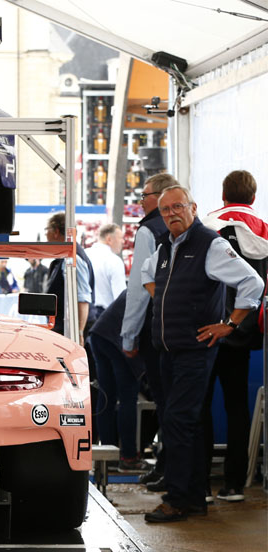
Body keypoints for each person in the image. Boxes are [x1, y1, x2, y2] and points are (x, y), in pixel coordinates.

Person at [135, 185, 263, 522]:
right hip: (168, 350)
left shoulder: (211, 243)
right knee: (184, 423)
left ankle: (178, 499)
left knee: (178, 421)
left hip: (195, 350)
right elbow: (147, 274)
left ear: (193, 207)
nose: (172, 214)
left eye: (178, 207)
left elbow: (253, 283)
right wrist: (163, 294)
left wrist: (230, 325)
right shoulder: (165, 246)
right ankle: (193, 498)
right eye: (165, 210)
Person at [199, 170, 268, 502]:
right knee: (237, 406)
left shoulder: (211, 227)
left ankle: (200, 484)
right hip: (246, 332)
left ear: (224, 195)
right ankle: (234, 484)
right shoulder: (265, 232)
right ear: (253, 197)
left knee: (200, 405)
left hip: (209, 328)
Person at [121, 173, 179, 489]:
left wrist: (129, 334)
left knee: (165, 400)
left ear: (159, 196)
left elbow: (139, 289)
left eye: (143, 195)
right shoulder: (195, 230)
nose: (140, 201)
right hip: (186, 329)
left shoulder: (148, 230)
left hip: (157, 328)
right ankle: (174, 469)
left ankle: (169, 470)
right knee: (178, 401)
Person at [87, 292, 143, 470]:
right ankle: (128, 457)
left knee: (107, 397)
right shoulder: (158, 284)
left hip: (100, 334)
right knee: (127, 398)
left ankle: (107, 457)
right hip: (118, 340)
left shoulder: (142, 280)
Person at [43, 212, 95, 344]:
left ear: (56, 231)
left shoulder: (72, 258)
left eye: (46, 230)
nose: (45, 235)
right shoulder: (63, 258)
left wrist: (78, 333)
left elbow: (82, 298)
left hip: (69, 331)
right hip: (64, 328)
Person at [86, 223, 126, 312]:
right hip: (104, 315)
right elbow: (120, 297)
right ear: (109, 239)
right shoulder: (114, 261)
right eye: (121, 238)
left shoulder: (85, 255)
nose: (123, 241)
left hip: (84, 311)